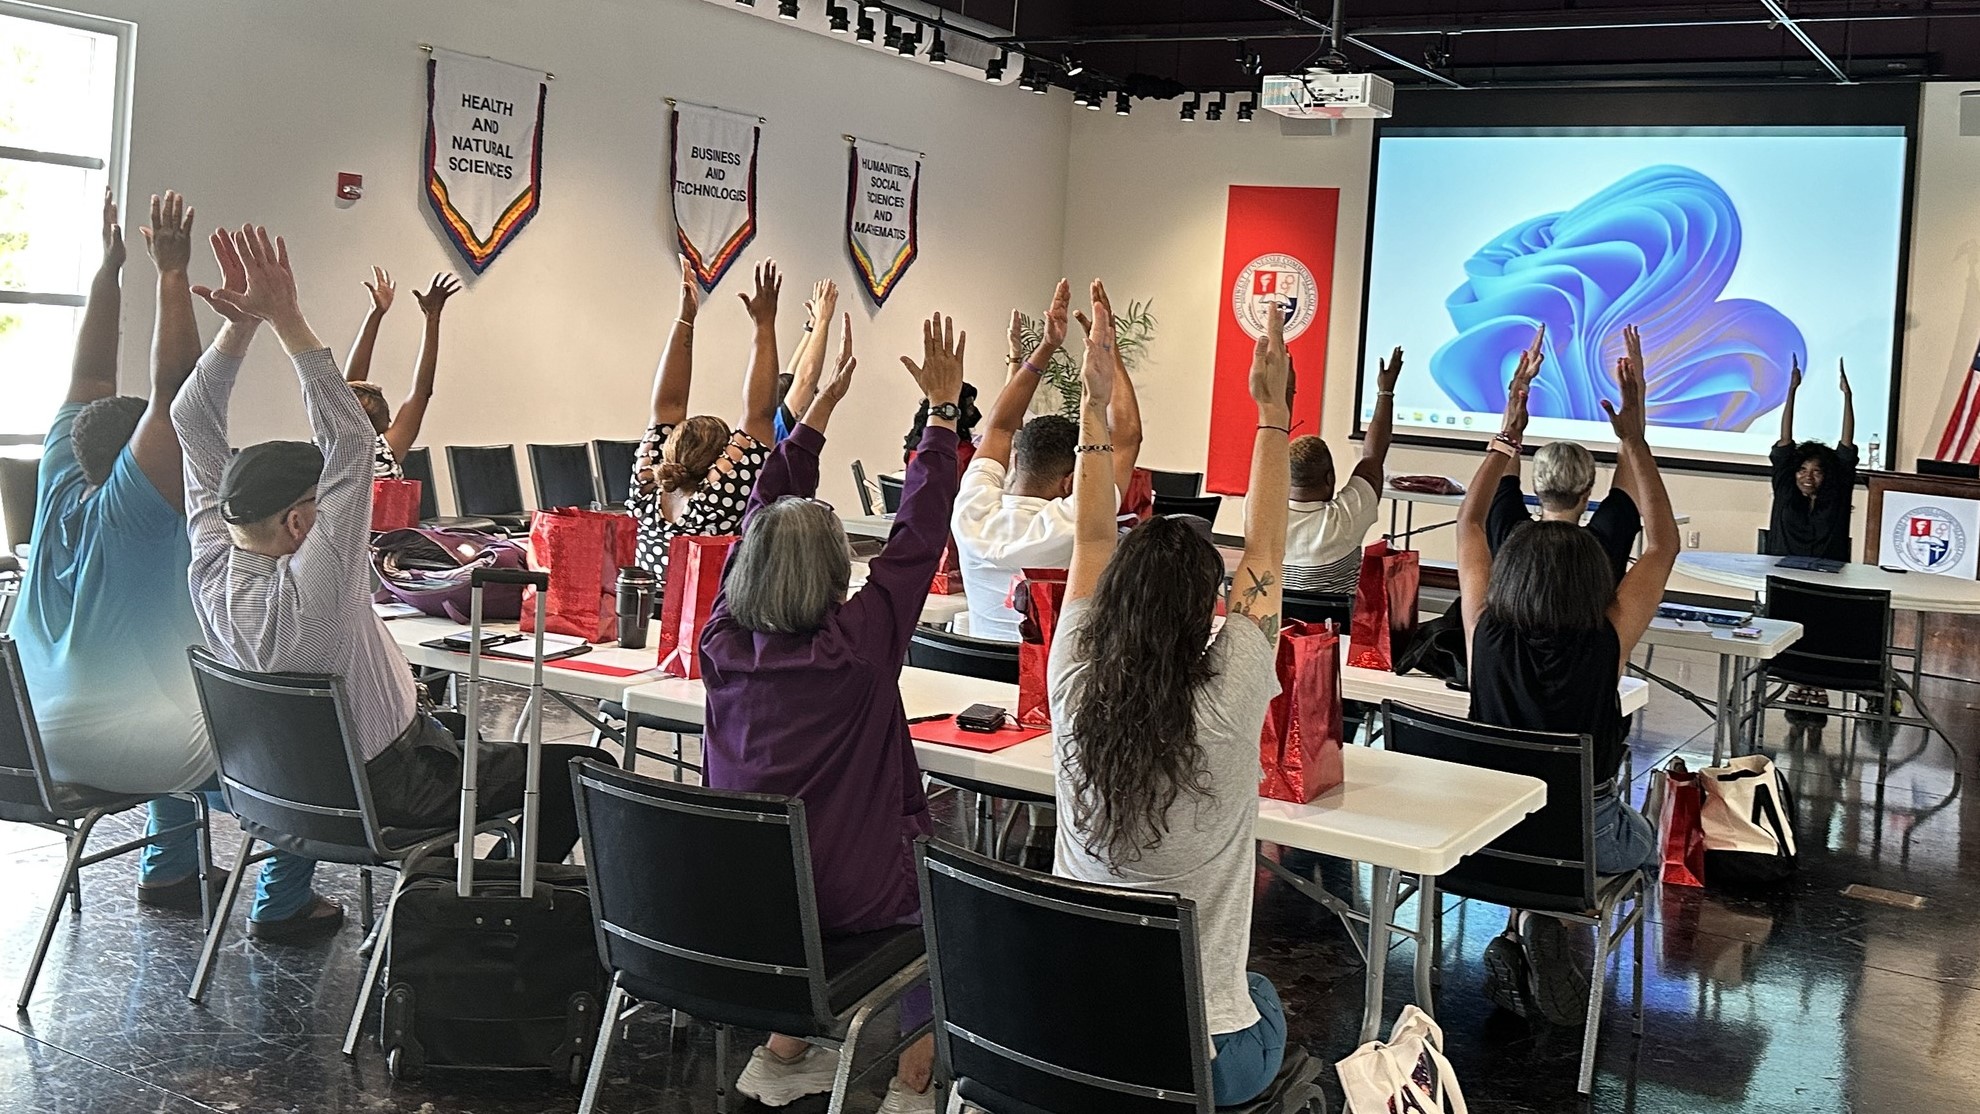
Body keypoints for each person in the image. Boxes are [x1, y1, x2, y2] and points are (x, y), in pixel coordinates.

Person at [172, 224, 608, 942]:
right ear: (301, 521)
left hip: (285, 794)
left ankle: (449, 884)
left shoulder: (212, 561)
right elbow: (348, 441)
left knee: (471, 733)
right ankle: (476, 900)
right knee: (578, 765)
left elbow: (193, 420)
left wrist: (237, 333)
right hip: (389, 792)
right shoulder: (320, 588)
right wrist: (285, 319)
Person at [11, 191, 315, 924]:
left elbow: (88, 383)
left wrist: (109, 272)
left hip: (26, 749)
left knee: (174, 693)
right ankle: (282, 907)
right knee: (310, 741)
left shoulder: (58, 481)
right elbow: (175, 394)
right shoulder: (138, 508)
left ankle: (170, 868)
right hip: (127, 750)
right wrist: (170, 273)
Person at [700, 312, 965, 1114]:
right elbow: (919, 532)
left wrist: (813, 419)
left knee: (828, 862)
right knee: (943, 888)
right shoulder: (856, 649)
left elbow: (762, 513)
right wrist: (943, 415)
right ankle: (913, 1082)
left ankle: (784, 1055)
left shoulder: (720, 640)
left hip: (745, 905)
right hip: (852, 905)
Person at [1050, 285, 1292, 1107]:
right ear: (1210, 614)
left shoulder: (1073, 681)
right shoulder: (1227, 703)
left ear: (1111, 601)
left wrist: (1092, 405)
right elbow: (1264, 551)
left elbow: (1088, 536)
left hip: (1065, 1034)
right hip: (1195, 1060)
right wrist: (1272, 412)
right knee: (1262, 1000)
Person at [1455, 325, 1677, 1027]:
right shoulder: (1604, 638)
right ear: (1598, 580)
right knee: (1649, 830)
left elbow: (1467, 522)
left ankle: (1525, 924)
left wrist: (1505, 432)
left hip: (1487, 833)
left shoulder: (1483, 629)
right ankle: (1549, 922)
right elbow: (1663, 544)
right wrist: (1634, 438)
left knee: (1534, 800)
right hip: (1582, 841)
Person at [952, 280, 1143, 641]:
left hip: (979, 683)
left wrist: (1046, 347)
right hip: (1056, 688)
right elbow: (1127, 437)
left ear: (1016, 462)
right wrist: (1109, 351)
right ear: (1073, 481)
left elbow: (999, 428)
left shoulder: (970, 514)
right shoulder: (1076, 525)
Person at [629, 256, 780, 585]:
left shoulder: (647, 485)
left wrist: (686, 318)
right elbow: (759, 413)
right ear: (718, 461)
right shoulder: (717, 500)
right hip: (704, 624)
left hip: (644, 621)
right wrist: (764, 325)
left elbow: (668, 404)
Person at [1486, 329, 1642, 586]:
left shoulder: (1510, 535)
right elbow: (1632, 454)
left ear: (1536, 487)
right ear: (1588, 490)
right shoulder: (1606, 538)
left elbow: (1506, 449)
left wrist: (1518, 390)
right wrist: (1636, 393)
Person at [1283, 346, 1399, 593]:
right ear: (1330, 477)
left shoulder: (1262, 515)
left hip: (1274, 629)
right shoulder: (1346, 520)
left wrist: (1286, 389)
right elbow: (1373, 456)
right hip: (1338, 631)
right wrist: (1385, 392)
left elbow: (1272, 438)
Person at [341, 267, 462, 478]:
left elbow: (350, 385)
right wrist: (432, 319)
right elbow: (421, 391)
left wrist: (376, 314)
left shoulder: (328, 447)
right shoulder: (383, 453)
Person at [1767, 354, 1857, 563]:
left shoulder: (1837, 494)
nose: (1808, 476)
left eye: (1816, 471)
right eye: (1803, 469)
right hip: (1783, 576)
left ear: (1826, 474)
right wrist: (1791, 390)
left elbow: (1846, 446)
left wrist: (1847, 396)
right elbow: (1785, 440)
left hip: (1827, 580)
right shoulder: (1785, 490)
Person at [773, 278, 838, 442]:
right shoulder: (780, 431)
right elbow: (806, 379)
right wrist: (824, 320)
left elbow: (792, 374)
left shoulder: (769, 423)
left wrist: (812, 327)